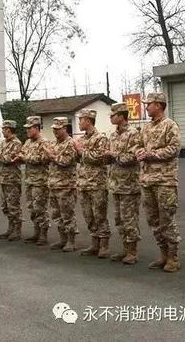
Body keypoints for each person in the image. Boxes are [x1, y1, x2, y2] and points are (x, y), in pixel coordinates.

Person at [137, 92, 182, 273]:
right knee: (153, 220)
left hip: (165, 181)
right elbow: (139, 145)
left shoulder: (170, 125)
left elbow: (174, 149)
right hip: (147, 180)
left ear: (158, 105)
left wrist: (151, 154)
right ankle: (163, 254)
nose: (146, 107)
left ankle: (173, 257)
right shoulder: (146, 127)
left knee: (166, 219)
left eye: (148, 104)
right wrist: (139, 152)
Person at [106, 102, 141, 265]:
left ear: (121, 116)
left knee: (129, 219)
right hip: (116, 184)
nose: (111, 118)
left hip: (129, 185)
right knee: (119, 219)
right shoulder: (113, 135)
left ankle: (132, 252)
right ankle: (125, 249)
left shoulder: (133, 134)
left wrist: (113, 154)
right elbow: (111, 158)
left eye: (113, 115)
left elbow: (132, 158)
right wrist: (107, 156)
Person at [73, 109, 111, 258]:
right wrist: (76, 152)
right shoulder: (82, 139)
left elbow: (100, 158)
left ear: (88, 121)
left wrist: (81, 151)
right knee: (88, 215)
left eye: (81, 120)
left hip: (97, 184)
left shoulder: (100, 138)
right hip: (83, 183)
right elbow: (78, 159)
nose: (79, 123)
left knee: (100, 215)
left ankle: (104, 245)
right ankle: (95, 243)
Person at [45, 117, 78, 252]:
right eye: (54, 129)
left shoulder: (70, 143)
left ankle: (71, 241)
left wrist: (52, 156)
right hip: (54, 184)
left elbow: (66, 162)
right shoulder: (54, 143)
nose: (55, 131)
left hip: (66, 185)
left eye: (58, 129)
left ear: (65, 128)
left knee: (67, 214)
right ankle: (62, 239)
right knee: (56, 214)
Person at [0, 120, 23, 241]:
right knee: (5, 206)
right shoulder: (3, 143)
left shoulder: (16, 143)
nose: (2, 131)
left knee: (14, 205)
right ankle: (10, 228)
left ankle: (17, 230)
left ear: (9, 129)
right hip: (3, 179)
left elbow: (9, 159)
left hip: (12, 179)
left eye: (3, 129)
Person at [18, 116, 50, 246]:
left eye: (29, 128)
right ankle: (36, 231)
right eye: (26, 128)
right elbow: (21, 154)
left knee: (40, 207)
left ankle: (43, 233)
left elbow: (42, 159)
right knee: (31, 207)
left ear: (36, 128)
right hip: (30, 180)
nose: (27, 131)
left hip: (40, 181)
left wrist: (26, 157)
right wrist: (25, 157)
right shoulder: (28, 142)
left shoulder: (44, 142)